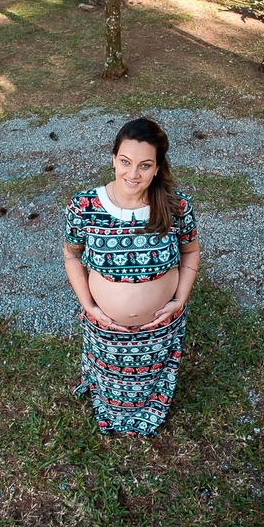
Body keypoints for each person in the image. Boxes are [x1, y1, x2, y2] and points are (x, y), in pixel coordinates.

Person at [63, 117, 200, 436]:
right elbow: (71, 255)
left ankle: (149, 406)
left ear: (156, 167)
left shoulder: (176, 206)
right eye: (125, 162)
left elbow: (190, 252)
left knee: (150, 381)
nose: (133, 173)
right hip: (105, 328)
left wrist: (179, 300)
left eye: (144, 165)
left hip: (159, 328)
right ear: (113, 159)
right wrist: (89, 305)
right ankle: (111, 405)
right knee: (112, 384)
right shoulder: (84, 206)